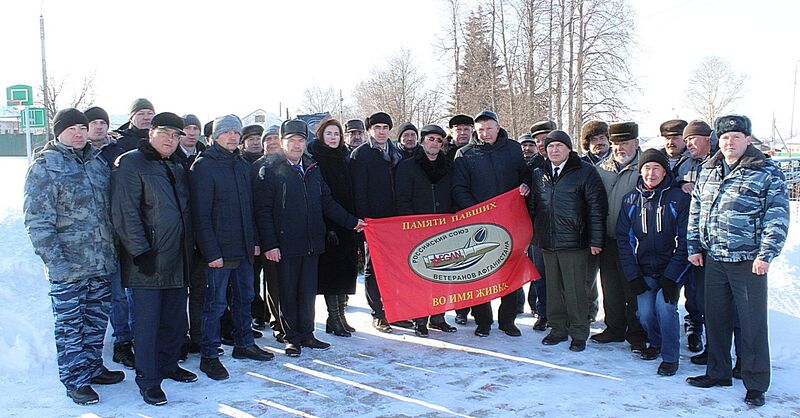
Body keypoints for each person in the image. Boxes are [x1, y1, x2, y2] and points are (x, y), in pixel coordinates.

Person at [686, 115, 789, 408]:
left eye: (735, 137)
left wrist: (766, 254)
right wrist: (694, 244)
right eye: (725, 138)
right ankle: (717, 372)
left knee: (752, 324)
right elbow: (697, 210)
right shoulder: (709, 169)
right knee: (715, 318)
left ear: (747, 140)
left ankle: (755, 382)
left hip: (748, 260)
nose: (729, 143)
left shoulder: (766, 171)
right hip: (714, 257)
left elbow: (777, 215)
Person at [24, 108, 123, 405]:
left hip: (100, 262)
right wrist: (56, 262)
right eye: (72, 129)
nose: (79, 133)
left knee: (95, 322)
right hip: (68, 266)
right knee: (70, 326)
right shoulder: (46, 166)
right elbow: (37, 221)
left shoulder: (96, 163)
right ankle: (75, 380)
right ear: (59, 133)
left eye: (82, 127)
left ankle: (92, 367)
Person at [254, 119, 366, 356]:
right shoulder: (270, 170)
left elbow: (327, 202)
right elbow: (262, 211)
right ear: (283, 142)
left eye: (301, 140)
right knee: (287, 292)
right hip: (285, 245)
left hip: (311, 243)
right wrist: (270, 244)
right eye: (292, 140)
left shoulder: (312, 168)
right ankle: (291, 337)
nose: (297, 145)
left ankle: (307, 334)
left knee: (306, 293)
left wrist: (351, 221)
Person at [112, 112, 197, 406]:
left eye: (175, 136)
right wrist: (140, 252)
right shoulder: (131, 162)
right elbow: (125, 212)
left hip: (176, 258)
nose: (170, 140)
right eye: (165, 134)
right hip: (148, 261)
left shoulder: (174, 165)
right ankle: (148, 380)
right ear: (150, 133)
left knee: (174, 321)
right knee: (147, 326)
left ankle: (168, 364)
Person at [190, 114, 274, 381]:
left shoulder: (240, 164)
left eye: (236, 133)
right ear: (215, 136)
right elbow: (200, 214)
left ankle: (244, 343)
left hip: (244, 248)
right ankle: (209, 355)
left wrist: (256, 240)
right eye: (226, 132)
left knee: (245, 298)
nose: (232, 136)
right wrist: (211, 252)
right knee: (215, 304)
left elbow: (250, 207)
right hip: (220, 252)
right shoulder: (203, 166)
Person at [451, 110, 531, 337]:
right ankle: (483, 321)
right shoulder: (464, 154)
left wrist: (525, 185)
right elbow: (459, 189)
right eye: (481, 130)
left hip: (510, 222)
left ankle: (508, 321)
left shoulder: (513, 149)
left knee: (511, 272)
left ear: (498, 127)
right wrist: (479, 211)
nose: (485, 134)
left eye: (489, 129)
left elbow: (525, 175)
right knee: (480, 273)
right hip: (479, 225)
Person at [529, 130, 606, 352]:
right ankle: (558, 328)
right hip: (547, 242)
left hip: (574, 241)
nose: (554, 150)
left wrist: (596, 240)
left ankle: (579, 331)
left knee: (575, 289)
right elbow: (533, 207)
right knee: (552, 289)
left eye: (559, 146)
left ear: (569, 150)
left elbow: (597, 208)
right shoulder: (539, 173)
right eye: (550, 146)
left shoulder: (584, 172)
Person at [616, 149, 691, 376]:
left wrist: (672, 276)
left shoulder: (678, 198)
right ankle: (656, 343)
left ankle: (670, 356)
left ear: (664, 170)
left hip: (671, 270)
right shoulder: (630, 199)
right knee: (645, 313)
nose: (651, 173)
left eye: (656, 168)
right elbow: (624, 239)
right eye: (647, 168)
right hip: (644, 269)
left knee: (665, 308)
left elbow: (685, 238)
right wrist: (633, 275)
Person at [83, 105, 136, 369]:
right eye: (93, 123)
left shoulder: (120, 152)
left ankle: (131, 339)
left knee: (128, 292)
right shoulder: (83, 156)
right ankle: (118, 342)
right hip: (96, 237)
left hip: (124, 231)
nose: (99, 127)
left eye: (103, 122)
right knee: (112, 294)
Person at [395, 124, 458, 337]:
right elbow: (402, 199)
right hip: (418, 230)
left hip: (444, 229)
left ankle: (438, 318)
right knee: (420, 277)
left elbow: (453, 194)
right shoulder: (407, 166)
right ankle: (420, 320)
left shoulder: (448, 167)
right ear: (423, 142)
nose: (434, 144)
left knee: (442, 275)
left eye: (439, 141)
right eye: (431, 139)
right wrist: (412, 224)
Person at [592, 122, 648, 352]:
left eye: (624, 143)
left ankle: (636, 333)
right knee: (610, 286)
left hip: (636, 242)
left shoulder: (645, 167)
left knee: (632, 288)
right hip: (608, 237)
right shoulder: (602, 168)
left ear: (636, 143)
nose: (619, 148)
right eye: (615, 144)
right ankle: (614, 327)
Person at [350, 111, 405, 333]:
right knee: (373, 267)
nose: (381, 132)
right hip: (373, 222)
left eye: (385, 127)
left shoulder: (396, 152)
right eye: (376, 128)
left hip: (395, 221)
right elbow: (358, 191)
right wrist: (364, 220)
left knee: (395, 267)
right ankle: (378, 313)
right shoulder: (360, 154)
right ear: (370, 130)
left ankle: (395, 311)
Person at [308, 117, 359, 337]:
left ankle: (340, 315)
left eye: (336, 134)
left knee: (345, 273)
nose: (333, 138)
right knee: (332, 275)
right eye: (329, 133)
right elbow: (322, 198)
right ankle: (333, 317)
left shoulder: (344, 156)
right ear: (321, 135)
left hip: (347, 223)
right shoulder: (316, 159)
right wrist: (336, 223)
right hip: (329, 226)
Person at [675, 121, 719, 357]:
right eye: (687, 140)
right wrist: (681, 183)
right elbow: (671, 183)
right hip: (687, 236)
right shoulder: (685, 163)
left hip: (712, 239)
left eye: (693, 139)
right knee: (693, 290)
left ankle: (715, 343)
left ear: (708, 138)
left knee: (710, 295)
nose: (689, 143)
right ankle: (695, 327)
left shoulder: (718, 162)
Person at [252, 124, 285, 342]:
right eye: (268, 139)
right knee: (268, 281)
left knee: (283, 282)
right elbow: (255, 207)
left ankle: (283, 319)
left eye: (275, 138)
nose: (271, 142)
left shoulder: (288, 164)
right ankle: (271, 319)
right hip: (263, 234)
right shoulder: (255, 167)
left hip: (285, 234)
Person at [578, 120, 608, 323]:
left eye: (602, 138)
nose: (598, 143)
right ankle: (589, 311)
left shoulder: (617, 161)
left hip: (613, 224)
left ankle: (616, 316)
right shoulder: (580, 164)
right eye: (593, 139)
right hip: (587, 226)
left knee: (612, 278)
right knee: (587, 276)